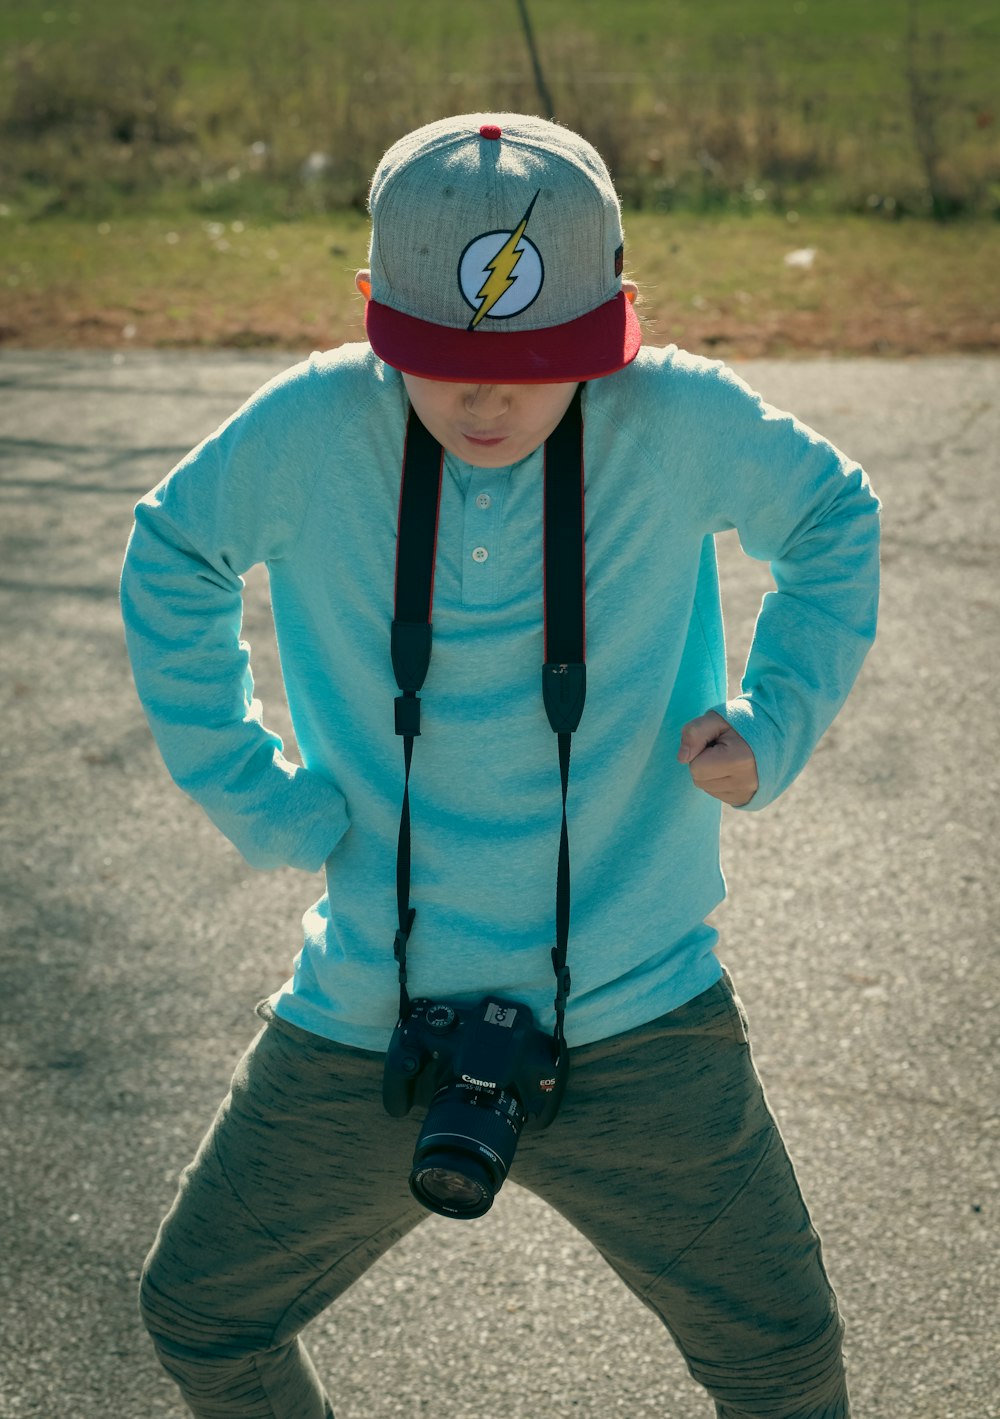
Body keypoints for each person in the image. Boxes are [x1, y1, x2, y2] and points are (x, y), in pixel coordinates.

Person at [121, 113, 879, 1419]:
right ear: (373, 317)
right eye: (445, 364)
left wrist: (776, 717)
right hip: (376, 1004)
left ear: (616, 322)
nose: (488, 401)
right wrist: (258, 793)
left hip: (641, 999)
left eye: (538, 365)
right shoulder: (312, 424)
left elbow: (833, 519)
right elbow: (173, 551)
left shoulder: (676, 411)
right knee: (200, 1309)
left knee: (784, 1361)